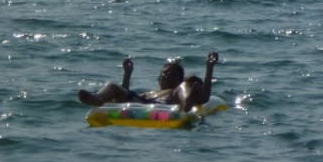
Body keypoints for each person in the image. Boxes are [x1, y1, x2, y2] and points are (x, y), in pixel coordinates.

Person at [77, 53, 219, 112]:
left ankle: (187, 104)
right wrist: (127, 75)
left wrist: (209, 68)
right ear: (158, 79)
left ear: (179, 79)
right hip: (141, 101)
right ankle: (97, 99)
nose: (165, 76)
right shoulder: (150, 92)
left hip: (168, 104)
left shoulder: (178, 89)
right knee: (112, 86)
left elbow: (205, 98)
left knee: (186, 87)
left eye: (171, 74)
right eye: (163, 74)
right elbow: (124, 97)